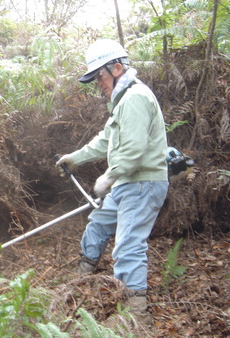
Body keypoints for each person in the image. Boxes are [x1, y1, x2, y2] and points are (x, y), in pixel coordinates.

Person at [56, 39, 169, 324]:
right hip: (126, 182)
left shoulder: (135, 98)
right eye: (95, 79)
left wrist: (108, 176)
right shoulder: (122, 101)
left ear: (117, 68)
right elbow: (105, 140)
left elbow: (133, 151)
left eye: (100, 76)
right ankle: (83, 272)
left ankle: (135, 316)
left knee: (128, 245)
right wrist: (74, 157)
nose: (98, 84)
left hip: (142, 183)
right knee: (99, 221)